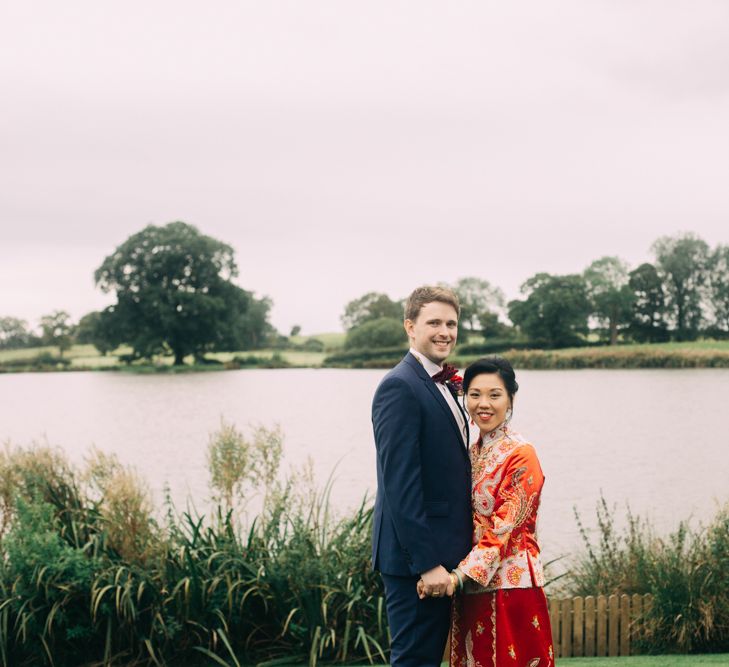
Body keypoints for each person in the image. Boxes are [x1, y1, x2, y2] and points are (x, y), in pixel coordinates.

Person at [371, 285, 472, 666]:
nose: (445, 331)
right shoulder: (400, 386)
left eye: (451, 323)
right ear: (410, 327)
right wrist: (427, 564)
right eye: (434, 322)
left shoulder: (444, 383)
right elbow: (400, 485)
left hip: (447, 555)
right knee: (415, 660)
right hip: (417, 562)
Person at [447, 357, 554, 666]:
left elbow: (503, 529)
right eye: (475, 394)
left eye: (495, 394)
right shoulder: (471, 451)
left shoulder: (521, 455)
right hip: (472, 583)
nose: (484, 404)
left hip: (511, 585)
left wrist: (458, 577)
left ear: (510, 399)